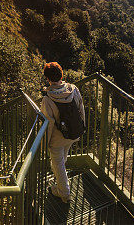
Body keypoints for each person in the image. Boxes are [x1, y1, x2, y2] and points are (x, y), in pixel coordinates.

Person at [40, 62, 85, 204]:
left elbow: (48, 125)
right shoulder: (73, 89)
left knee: (58, 163)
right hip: (72, 134)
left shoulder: (47, 99)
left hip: (57, 139)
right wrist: (81, 128)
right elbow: (80, 109)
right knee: (61, 160)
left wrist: (44, 143)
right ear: (62, 74)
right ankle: (60, 181)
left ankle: (64, 193)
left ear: (47, 79)